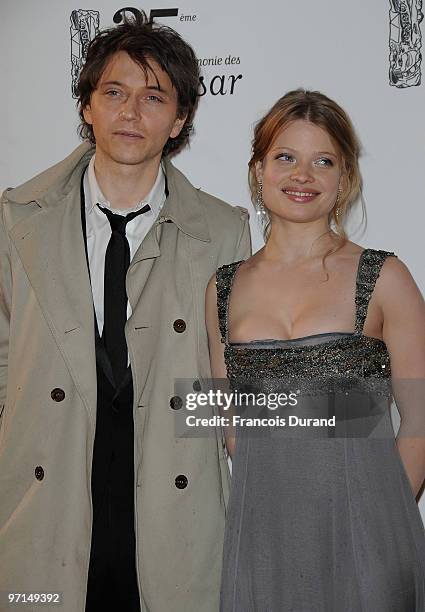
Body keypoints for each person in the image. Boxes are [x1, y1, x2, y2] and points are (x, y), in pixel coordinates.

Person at [0, 13, 251, 612]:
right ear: (87, 105)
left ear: (180, 119)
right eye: (113, 92)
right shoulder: (16, 218)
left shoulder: (223, 232)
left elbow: (230, 380)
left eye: (153, 97)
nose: (130, 113)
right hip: (46, 492)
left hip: (170, 496)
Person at [206, 89, 425, 611]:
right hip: (265, 532)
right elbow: (228, 421)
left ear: (344, 179)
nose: (301, 175)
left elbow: (420, 417)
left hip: (371, 529)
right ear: (259, 170)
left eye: (322, 161)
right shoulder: (222, 287)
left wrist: (381, 513)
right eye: (285, 157)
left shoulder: (384, 275)